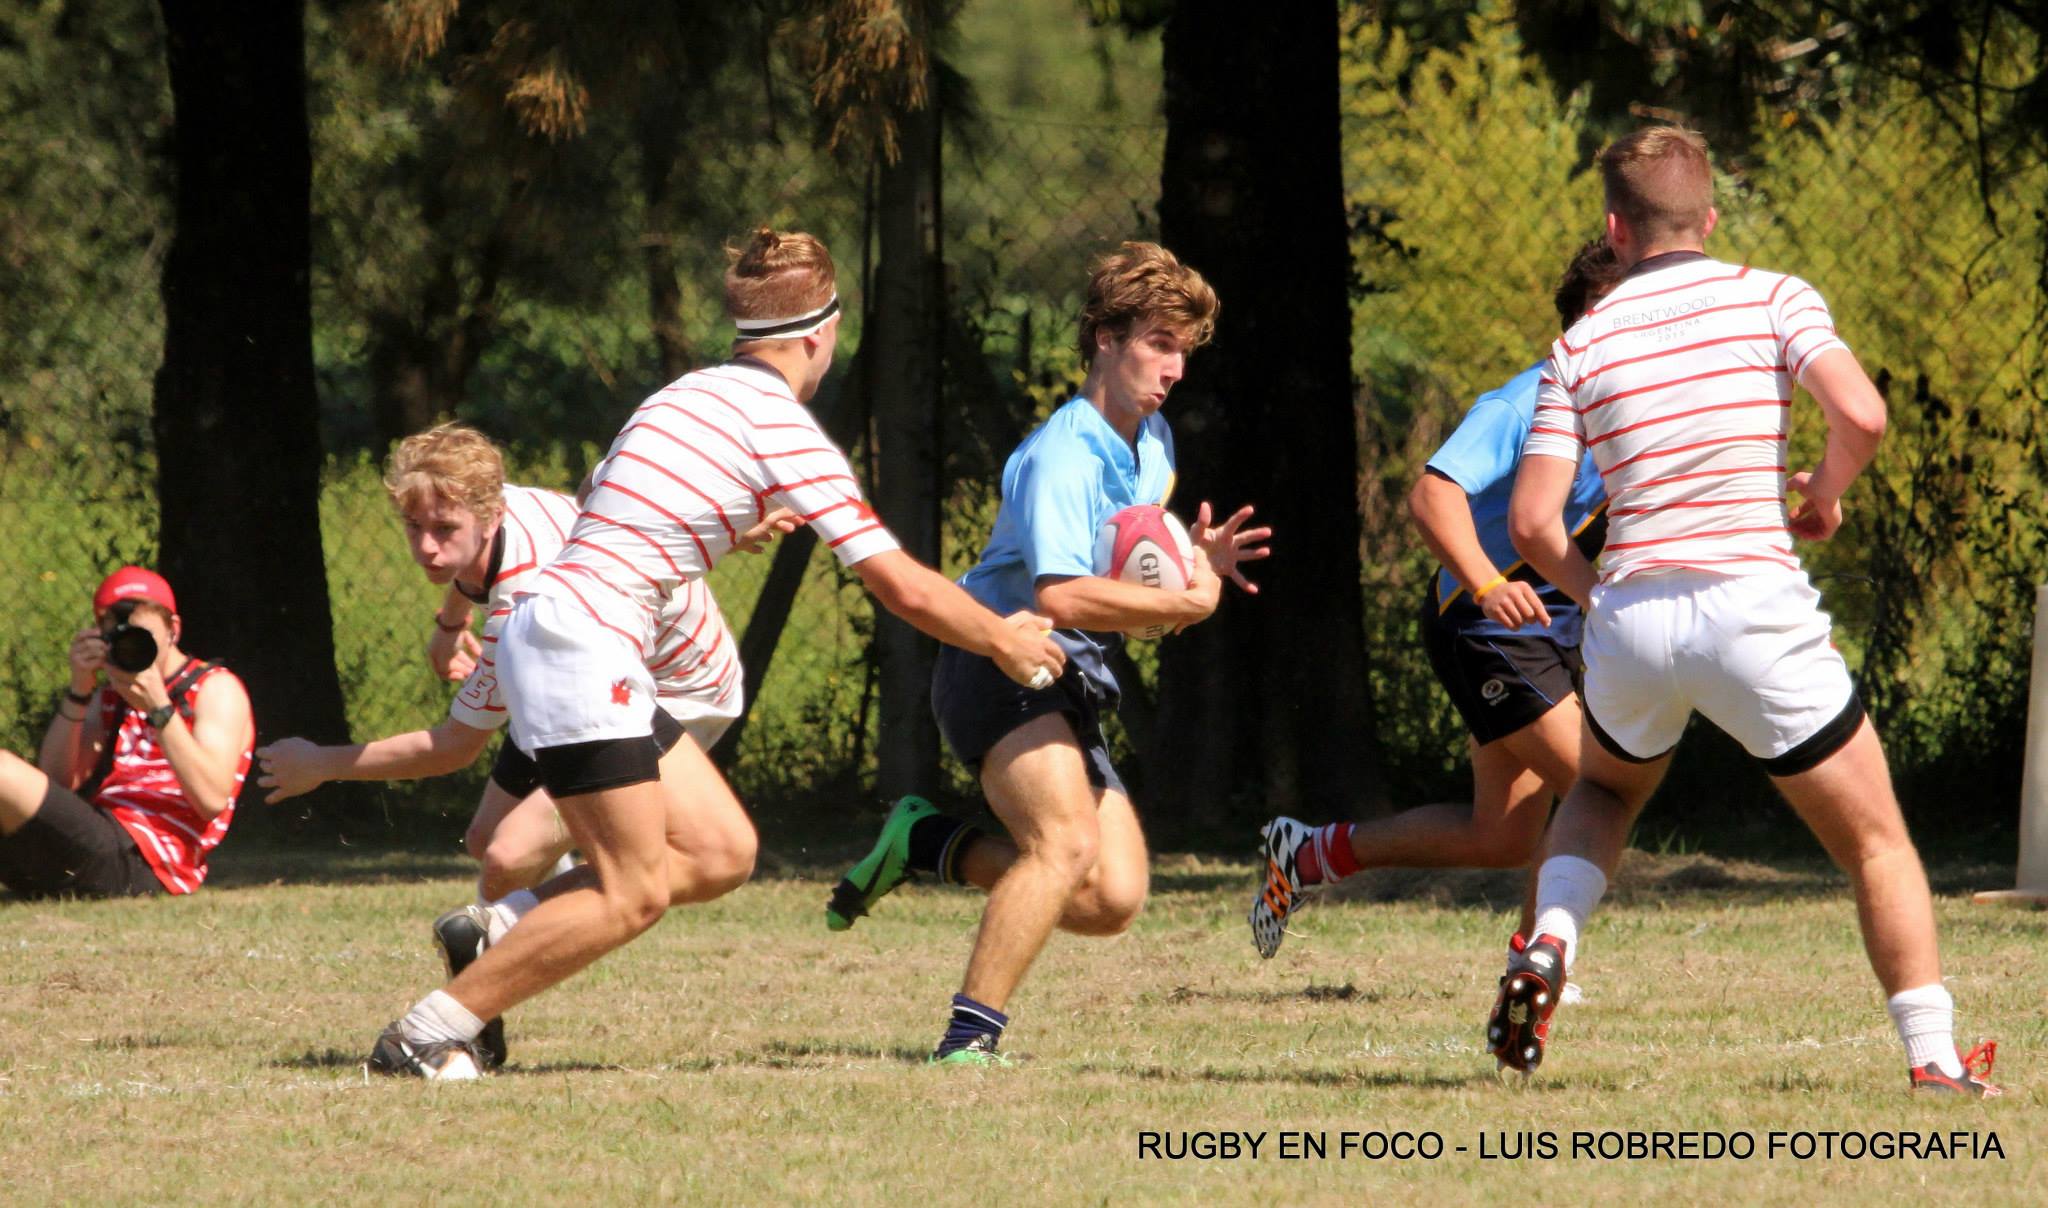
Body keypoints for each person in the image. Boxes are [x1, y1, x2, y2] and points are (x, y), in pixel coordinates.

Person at [362, 227, 1065, 1079]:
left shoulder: (683, 394)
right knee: (635, 888)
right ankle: (425, 1033)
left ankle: (497, 931)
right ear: (821, 335)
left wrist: (717, 523)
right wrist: (1005, 639)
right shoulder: (786, 429)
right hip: (585, 642)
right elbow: (903, 587)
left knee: (722, 851)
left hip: (579, 637)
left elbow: (607, 502)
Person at [1488, 125, 1996, 1095]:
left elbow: (1528, 522)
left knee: (1599, 794)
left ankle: (1548, 937)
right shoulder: (1770, 295)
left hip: (1632, 618)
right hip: (1749, 602)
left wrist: (1601, 597)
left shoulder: (1578, 343)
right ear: (1708, 217)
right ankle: (1931, 1056)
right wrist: (1824, 492)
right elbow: (1861, 414)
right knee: (1874, 838)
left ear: (1614, 229)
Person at [825, 242, 1269, 1064]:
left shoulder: (1156, 440)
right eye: (1158, 344)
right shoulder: (1063, 453)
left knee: (1112, 899)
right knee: (1062, 847)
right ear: (1105, 335)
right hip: (995, 655)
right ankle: (968, 1042)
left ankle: (926, 844)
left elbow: (1127, 551)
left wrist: (1190, 558)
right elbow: (1063, 595)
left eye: (1184, 351)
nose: (1174, 368)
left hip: (1065, 671)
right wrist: (1180, 601)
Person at [256, 424, 789, 1067]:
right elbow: (592, 499)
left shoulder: (521, 607)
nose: (427, 547)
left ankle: (469, 982)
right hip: (580, 670)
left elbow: (453, 746)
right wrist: (450, 624)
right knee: (491, 844)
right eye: (414, 528)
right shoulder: (510, 512)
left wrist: (324, 763)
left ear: (492, 510)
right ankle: (488, 950)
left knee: (520, 856)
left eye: (444, 530)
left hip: (672, 687)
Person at [1247, 240, 1626, 964]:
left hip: (1548, 626)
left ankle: (1307, 855)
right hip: (1485, 623)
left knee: (1503, 836)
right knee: (1596, 785)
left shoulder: (1628, 413)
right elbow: (1432, 494)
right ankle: (1538, 961)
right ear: (1573, 331)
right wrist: (1488, 581)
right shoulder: (1524, 403)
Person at [0, 568, 254, 899]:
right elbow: (56, 786)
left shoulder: (214, 688)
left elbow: (211, 800)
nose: (132, 648)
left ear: (172, 630)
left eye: (142, 636)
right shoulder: (111, 695)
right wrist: (80, 690)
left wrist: (159, 709)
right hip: (99, 839)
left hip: (148, 861)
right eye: (119, 638)